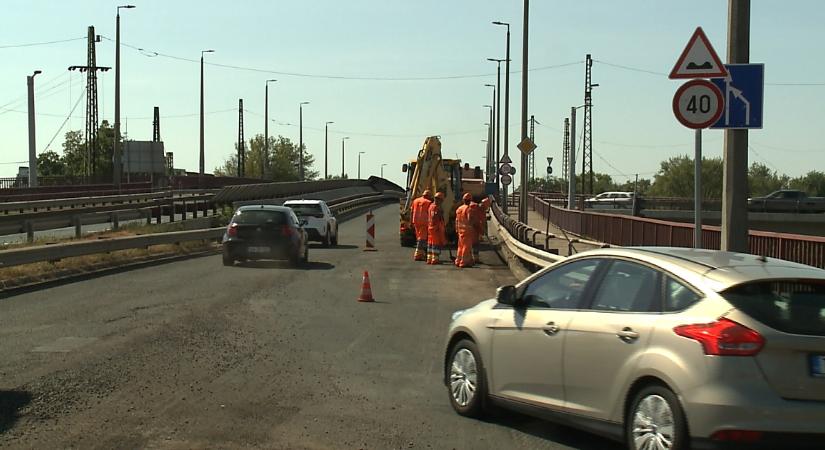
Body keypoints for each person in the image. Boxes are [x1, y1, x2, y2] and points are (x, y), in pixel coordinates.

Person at [454, 193, 476, 268]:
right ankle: (464, 262)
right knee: (466, 247)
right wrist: (475, 223)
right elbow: (470, 220)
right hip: (467, 230)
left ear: (463, 200)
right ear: (470, 200)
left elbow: (456, 220)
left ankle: (458, 260)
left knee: (460, 246)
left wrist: (457, 229)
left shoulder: (459, 209)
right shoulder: (468, 209)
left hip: (460, 230)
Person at [410, 190, 433, 261]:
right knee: (422, 238)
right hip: (424, 222)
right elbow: (430, 213)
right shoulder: (429, 203)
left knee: (419, 237)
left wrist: (411, 221)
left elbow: (411, 211)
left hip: (416, 221)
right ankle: (418, 254)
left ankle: (421, 254)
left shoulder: (415, 201)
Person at [427, 192, 447, 265]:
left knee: (430, 243)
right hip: (435, 228)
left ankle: (429, 258)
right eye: (441, 200)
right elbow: (435, 217)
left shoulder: (430, 206)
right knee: (435, 244)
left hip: (430, 227)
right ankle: (435, 259)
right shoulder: (436, 207)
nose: (441, 202)